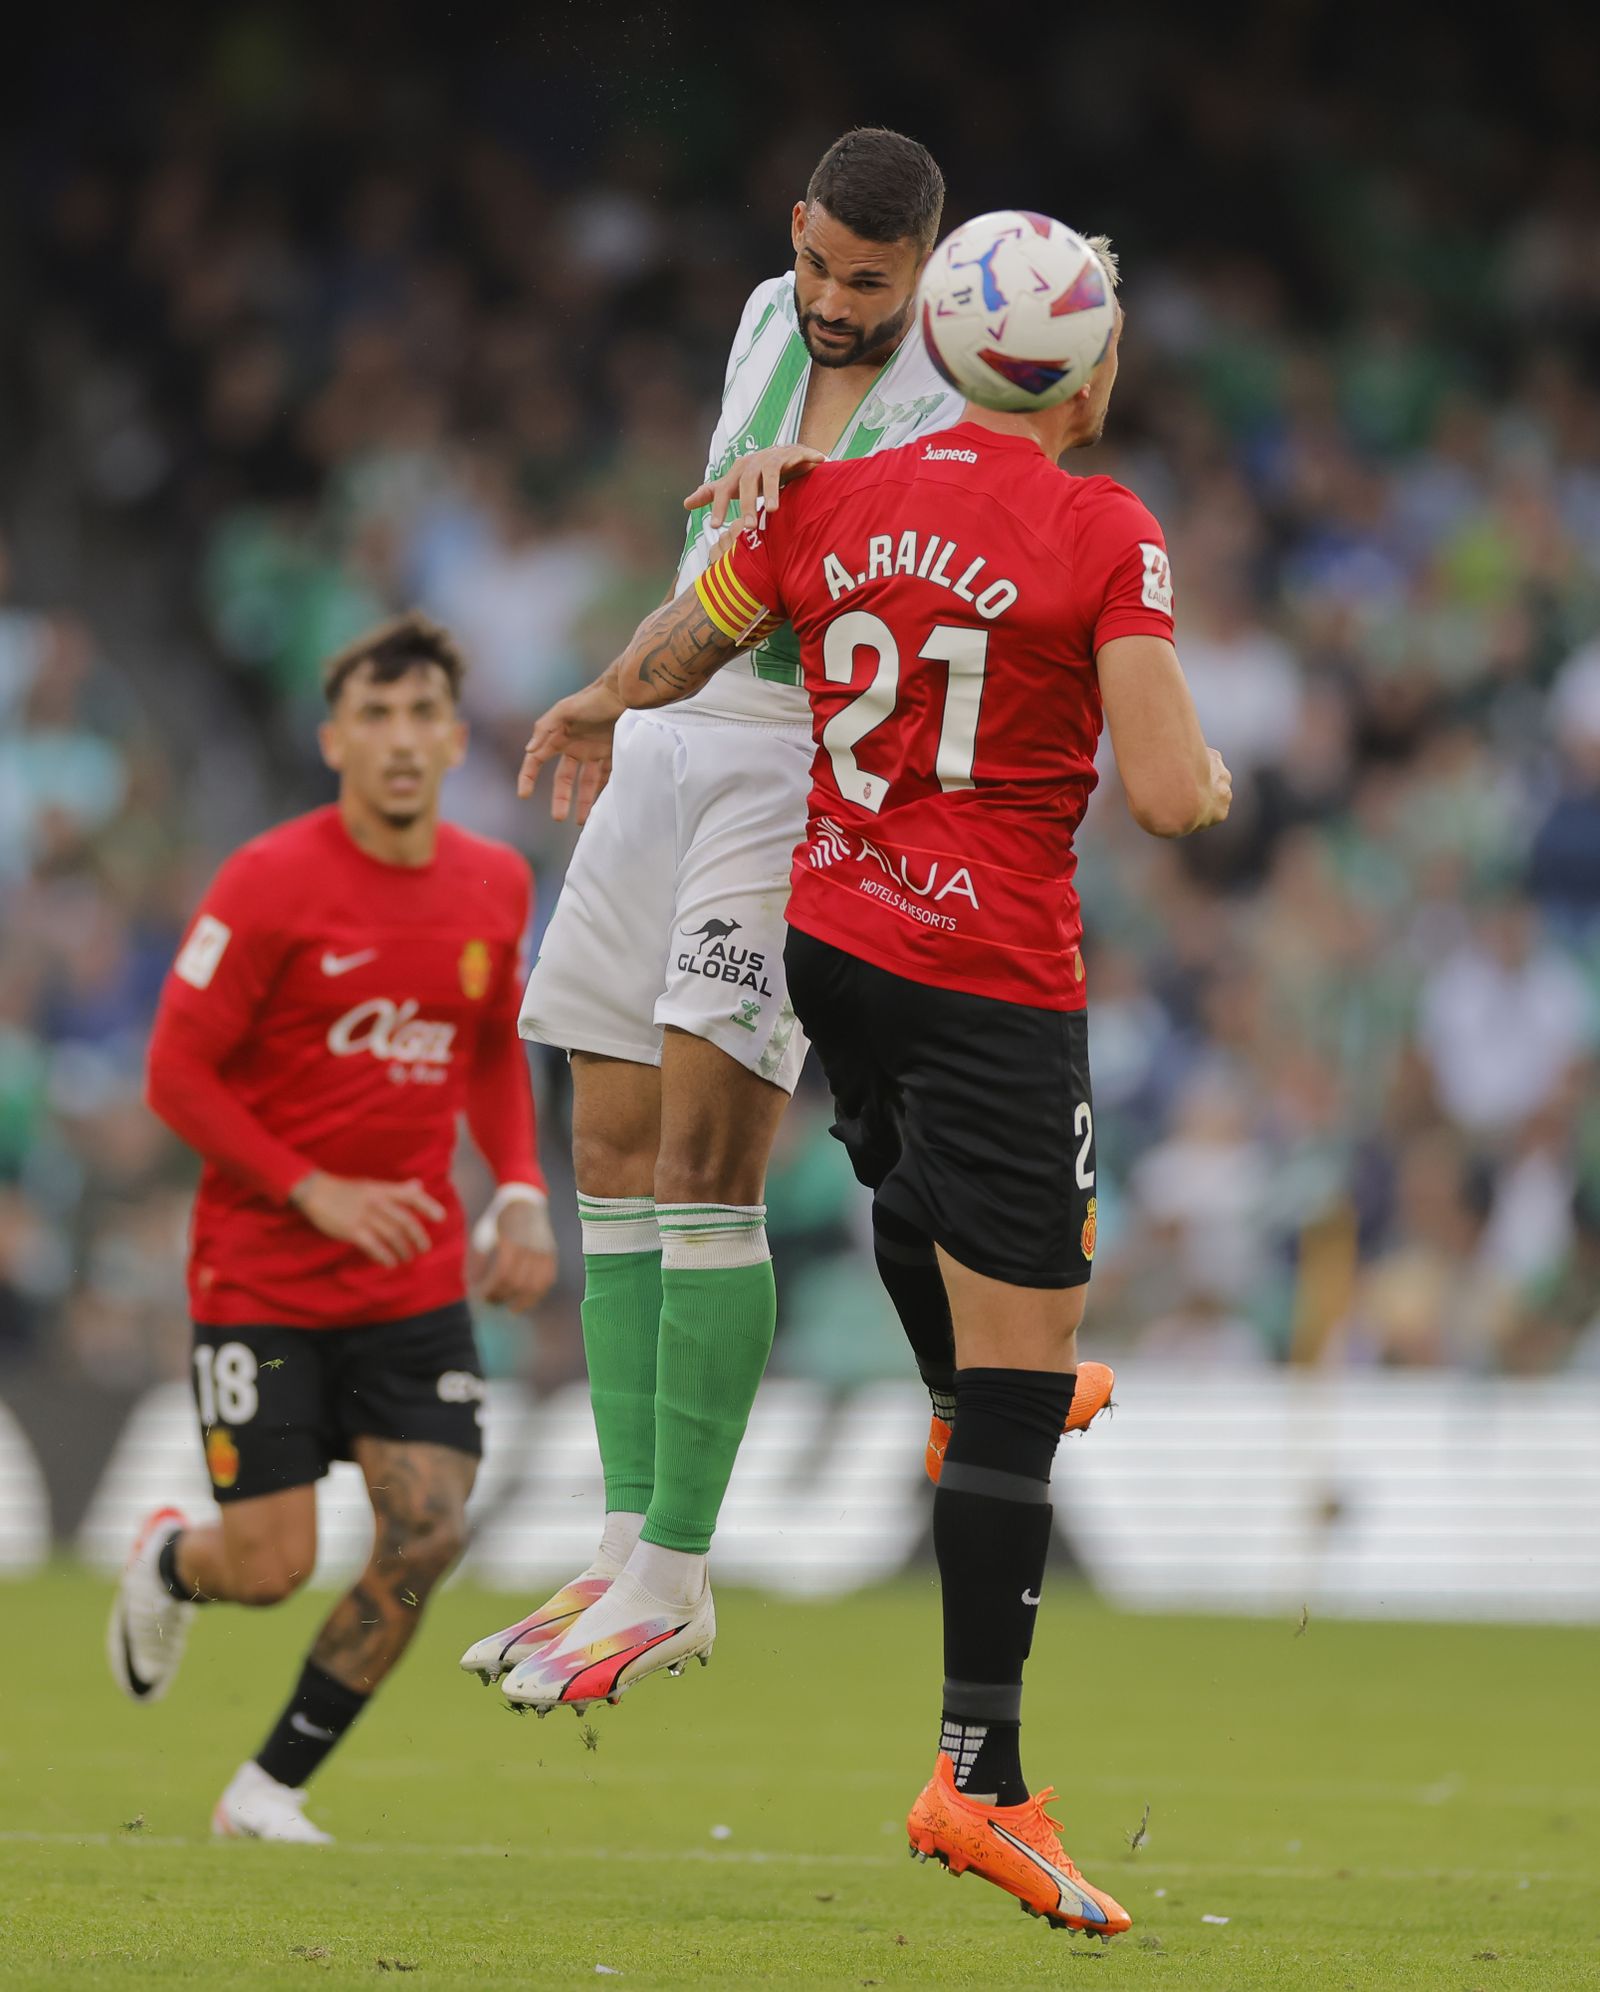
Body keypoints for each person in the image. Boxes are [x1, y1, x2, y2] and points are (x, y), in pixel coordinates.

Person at [539, 224, 1232, 1936]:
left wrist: (594, 702)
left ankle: (975, 1390)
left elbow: (689, 650)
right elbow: (1161, 792)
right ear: (1089, 370)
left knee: (915, 1213)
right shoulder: (1105, 528)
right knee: (1023, 1368)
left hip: (834, 943)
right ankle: (977, 1778)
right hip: (989, 970)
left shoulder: (825, 491)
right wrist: (1214, 776)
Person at [458, 127, 978, 1703]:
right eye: (818, 262)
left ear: (923, 274)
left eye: (864, 282)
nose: (831, 300)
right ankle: (622, 1550)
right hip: (669, 740)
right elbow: (709, 550)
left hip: (793, 767)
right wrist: (622, 699)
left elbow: (830, 584)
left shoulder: (957, 395)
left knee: (705, 1157)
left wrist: (634, 670)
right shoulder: (763, 313)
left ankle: (682, 1570)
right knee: (607, 1135)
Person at [111, 611, 557, 1842]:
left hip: (411, 1285)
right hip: (261, 1278)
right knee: (265, 1568)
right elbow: (175, 1076)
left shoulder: (493, 881)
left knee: (428, 1531)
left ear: (457, 739)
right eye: (376, 716)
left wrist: (517, 1184)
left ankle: (268, 1789)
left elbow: (486, 1049)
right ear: (332, 739)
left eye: (423, 717)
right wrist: (314, 1188)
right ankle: (168, 1564)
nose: (402, 740)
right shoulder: (266, 883)